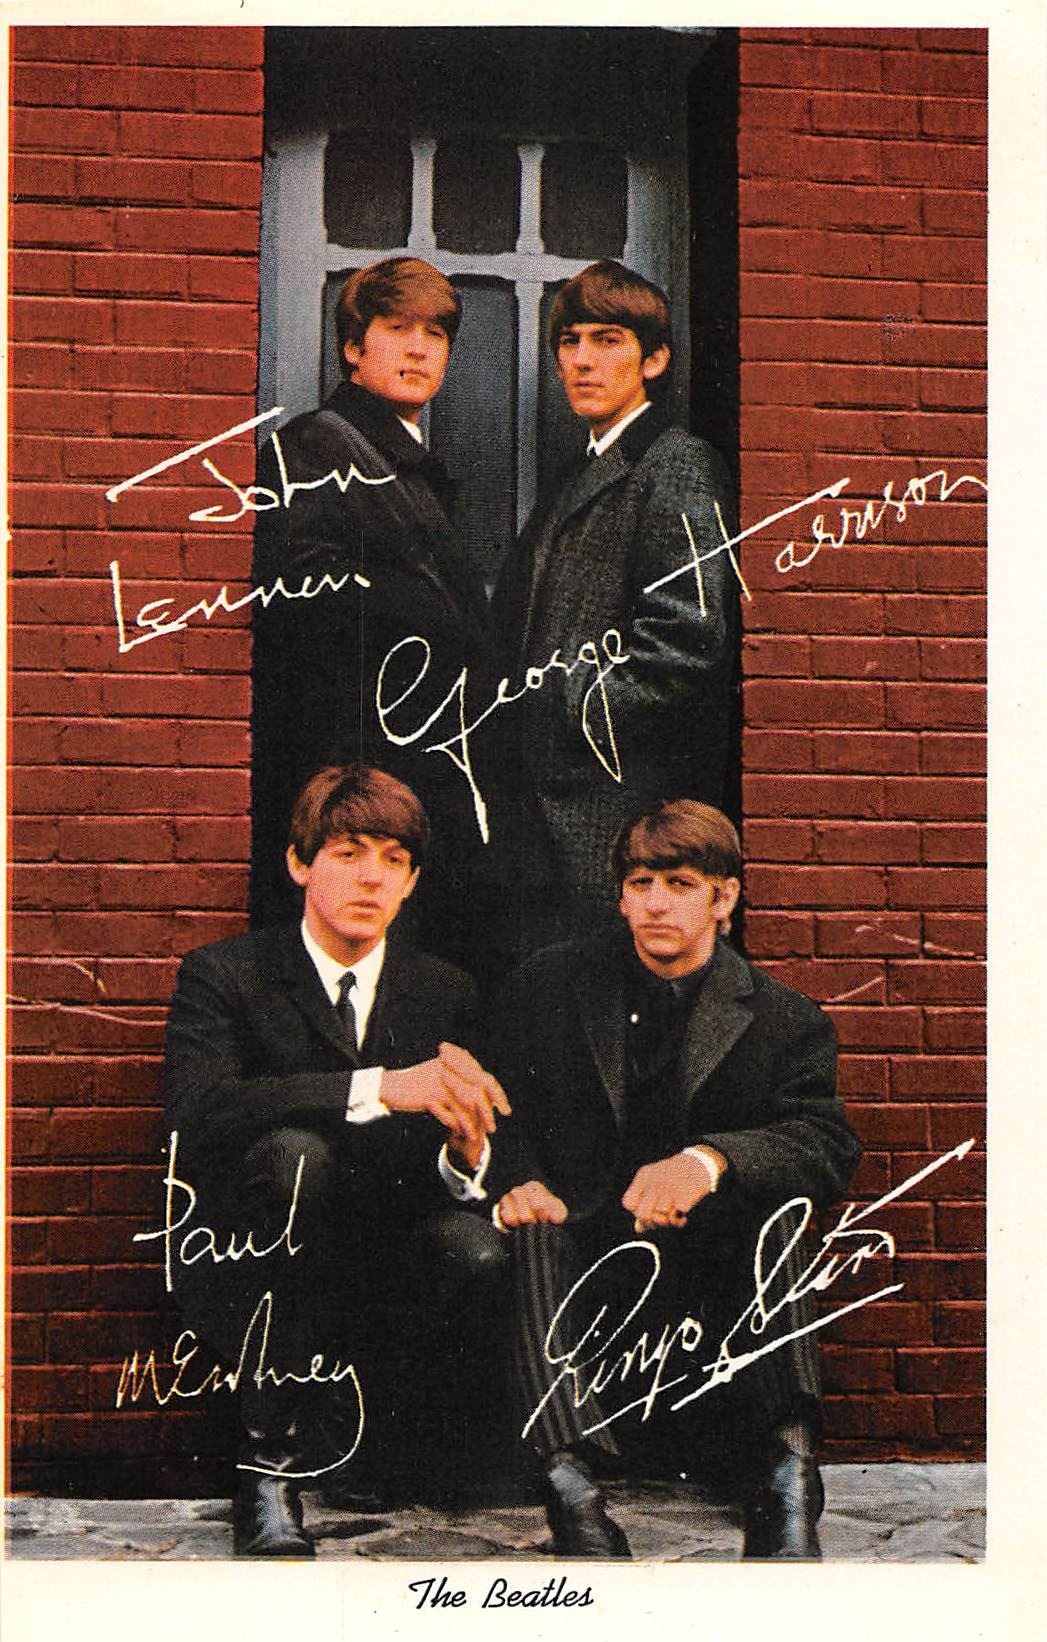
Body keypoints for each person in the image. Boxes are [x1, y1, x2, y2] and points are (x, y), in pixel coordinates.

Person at [486, 800, 860, 1560]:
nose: (656, 902)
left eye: (680, 883)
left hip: (709, 1288)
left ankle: (788, 1471)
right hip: (580, 1269)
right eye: (640, 882)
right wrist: (519, 1180)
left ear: (725, 898)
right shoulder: (548, 986)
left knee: (780, 1217)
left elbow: (825, 1144)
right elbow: (500, 1110)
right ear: (620, 896)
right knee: (532, 1227)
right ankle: (570, 1487)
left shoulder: (785, 1018)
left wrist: (706, 1162)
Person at [163, 765, 509, 1558]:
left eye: (394, 859)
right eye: (348, 852)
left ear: (411, 881)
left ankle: (391, 1448)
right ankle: (267, 1470)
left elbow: (448, 1174)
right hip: (258, 1259)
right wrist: (377, 1084)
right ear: (299, 862)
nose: (371, 877)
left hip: (381, 1263)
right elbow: (198, 1113)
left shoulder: (443, 990)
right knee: (296, 1157)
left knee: (475, 1246)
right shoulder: (227, 973)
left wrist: (464, 1153)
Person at [487, 261, 741, 969]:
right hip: (551, 819)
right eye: (569, 342)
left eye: (606, 341)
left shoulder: (675, 465)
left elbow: (684, 645)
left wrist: (561, 707)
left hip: (613, 814)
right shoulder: (584, 467)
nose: (581, 360)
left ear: (653, 360)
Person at [250, 257, 495, 968]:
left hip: (412, 771)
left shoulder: (410, 462)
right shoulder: (315, 445)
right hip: (358, 776)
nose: (419, 349)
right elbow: (305, 597)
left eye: (435, 334)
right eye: (396, 329)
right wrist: (441, 623)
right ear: (354, 348)